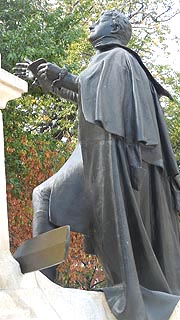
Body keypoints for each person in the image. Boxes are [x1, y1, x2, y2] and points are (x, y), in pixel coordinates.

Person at [14, 10, 180, 320]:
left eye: (99, 19)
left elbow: (93, 97)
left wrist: (62, 75)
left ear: (114, 27)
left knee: (44, 196)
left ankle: (39, 287)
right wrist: (48, 81)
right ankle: (39, 284)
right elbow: (90, 100)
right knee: (44, 196)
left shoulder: (118, 58)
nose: (91, 24)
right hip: (95, 151)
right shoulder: (111, 61)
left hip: (106, 156)